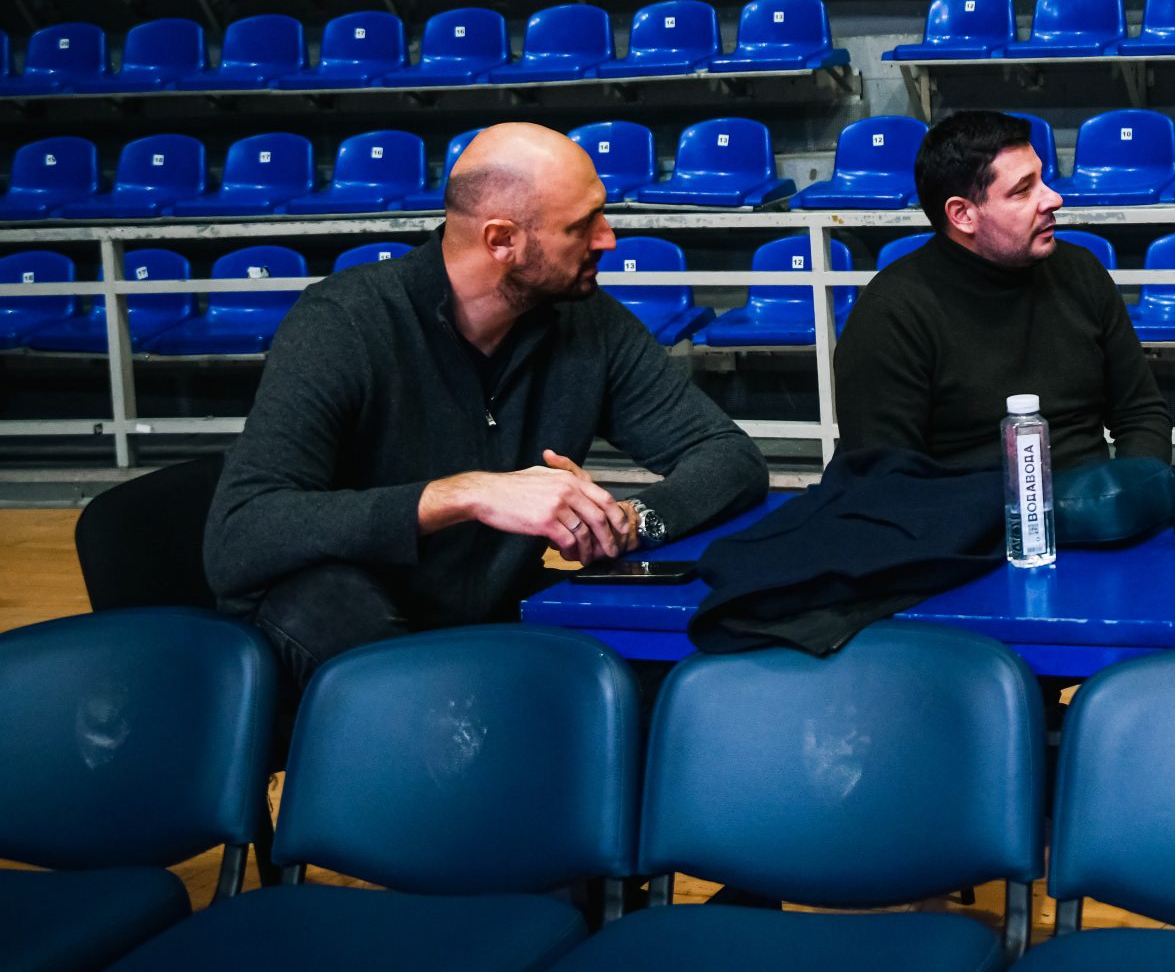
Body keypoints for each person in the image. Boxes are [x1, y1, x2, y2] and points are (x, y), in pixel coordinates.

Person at [205, 123, 769, 688]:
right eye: (581, 225)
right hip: (347, 628)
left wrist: (627, 522)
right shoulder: (343, 322)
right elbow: (242, 530)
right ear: (501, 241)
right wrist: (468, 494)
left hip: (491, 624)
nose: (607, 240)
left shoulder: (588, 323)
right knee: (340, 612)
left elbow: (728, 457)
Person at [834, 110, 1172, 470]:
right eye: (1023, 190)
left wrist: (1134, 489)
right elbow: (883, 478)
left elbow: (1141, 413)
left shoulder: (1081, 270)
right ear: (963, 214)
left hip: (1092, 498)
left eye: (1042, 180)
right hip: (961, 505)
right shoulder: (890, 313)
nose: (1053, 199)